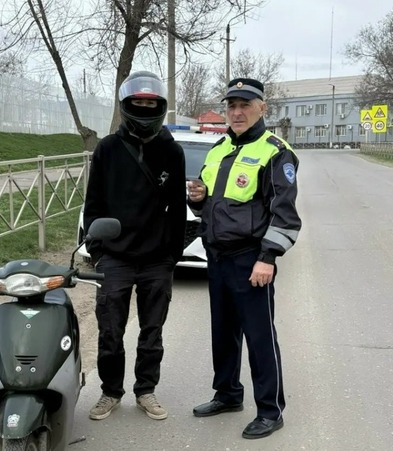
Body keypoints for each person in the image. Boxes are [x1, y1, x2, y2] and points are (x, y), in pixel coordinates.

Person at [187, 77, 302, 439]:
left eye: (245, 105)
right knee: (223, 333)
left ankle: (270, 410)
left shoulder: (275, 152)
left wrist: (267, 258)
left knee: (259, 336)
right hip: (218, 257)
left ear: (262, 108)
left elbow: (284, 214)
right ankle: (227, 394)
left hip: (251, 258)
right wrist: (198, 199)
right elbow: (212, 203)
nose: (236, 112)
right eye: (231, 106)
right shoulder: (218, 149)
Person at [82, 71, 187, 421]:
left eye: (150, 103)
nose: (144, 107)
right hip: (114, 258)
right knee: (110, 332)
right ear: (126, 105)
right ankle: (110, 392)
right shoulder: (108, 149)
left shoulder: (172, 151)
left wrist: (172, 255)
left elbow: (178, 209)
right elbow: (93, 204)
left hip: (157, 260)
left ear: (160, 106)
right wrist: (99, 253)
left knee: (152, 332)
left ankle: (146, 390)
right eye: (138, 102)